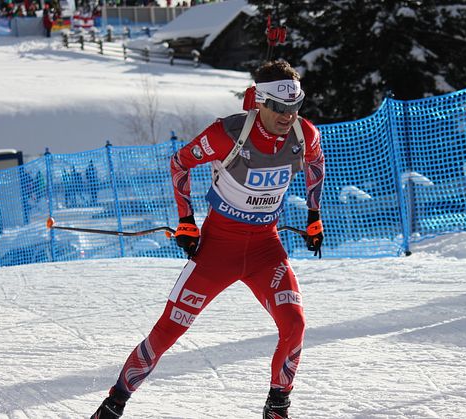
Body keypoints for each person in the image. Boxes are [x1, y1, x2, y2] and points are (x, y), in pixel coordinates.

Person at [91, 60, 325, 419]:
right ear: (260, 101)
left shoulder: (304, 135)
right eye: (278, 107)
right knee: (169, 329)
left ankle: (277, 408)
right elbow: (180, 163)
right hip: (218, 249)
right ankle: (114, 403)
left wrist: (314, 216)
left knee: (294, 325)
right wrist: (186, 221)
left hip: (266, 248)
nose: (287, 115)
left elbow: (315, 165)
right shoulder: (226, 134)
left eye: (295, 106)